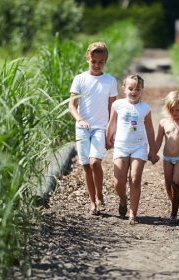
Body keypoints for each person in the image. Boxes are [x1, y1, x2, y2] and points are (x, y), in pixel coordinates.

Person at [69, 41, 118, 216]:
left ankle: (100, 195)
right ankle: (92, 202)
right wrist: (80, 119)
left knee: (95, 162)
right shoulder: (79, 79)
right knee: (86, 166)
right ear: (87, 58)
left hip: (100, 128)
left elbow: (113, 109)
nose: (97, 65)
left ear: (105, 61)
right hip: (82, 128)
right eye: (94, 61)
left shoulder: (110, 81)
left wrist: (111, 132)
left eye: (101, 62)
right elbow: (72, 105)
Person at [106, 74, 158, 225]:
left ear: (142, 90)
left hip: (139, 147)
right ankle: (123, 200)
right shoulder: (118, 105)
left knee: (135, 178)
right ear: (124, 89)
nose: (134, 92)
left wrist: (152, 151)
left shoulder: (145, 109)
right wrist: (108, 139)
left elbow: (150, 131)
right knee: (118, 182)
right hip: (121, 146)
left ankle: (132, 213)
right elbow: (112, 123)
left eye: (138, 89)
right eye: (130, 88)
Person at [155, 91, 179, 223]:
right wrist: (152, 153)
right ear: (167, 108)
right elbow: (158, 141)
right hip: (167, 158)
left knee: (175, 184)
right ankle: (175, 203)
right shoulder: (163, 122)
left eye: (177, 110)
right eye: (172, 110)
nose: (175, 113)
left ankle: (174, 214)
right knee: (168, 185)